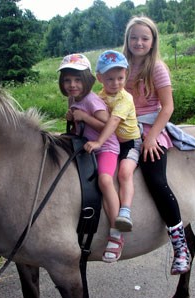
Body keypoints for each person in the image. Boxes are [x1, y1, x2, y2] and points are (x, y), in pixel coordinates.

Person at [122, 16, 191, 275]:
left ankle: (180, 245)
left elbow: (168, 106)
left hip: (151, 128)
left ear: (152, 42)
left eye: (144, 38)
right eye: (134, 38)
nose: (139, 42)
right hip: (124, 128)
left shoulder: (157, 68)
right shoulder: (121, 65)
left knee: (156, 180)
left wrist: (151, 137)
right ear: (127, 40)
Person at [58, 54, 124, 263]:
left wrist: (85, 117)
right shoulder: (74, 99)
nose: (72, 85)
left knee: (105, 180)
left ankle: (116, 232)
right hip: (87, 147)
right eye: (67, 80)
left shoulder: (92, 100)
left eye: (77, 80)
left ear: (87, 80)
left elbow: (108, 128)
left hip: (105, 147)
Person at [77, 50, 141, 233]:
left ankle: (125, 211)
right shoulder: (101, 96)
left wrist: (98, 142)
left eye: (120, 78)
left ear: (126, 75)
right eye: (110, 79)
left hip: (130, 142)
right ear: (99, 78)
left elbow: (112, 122)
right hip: (115, 143)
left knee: (124, 173)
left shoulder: (125, 98)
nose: (116, 83)